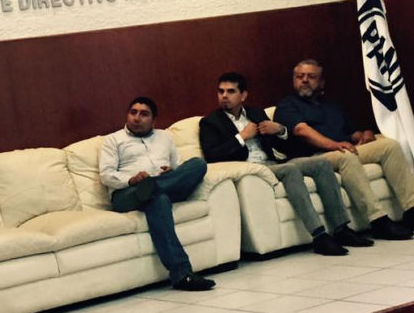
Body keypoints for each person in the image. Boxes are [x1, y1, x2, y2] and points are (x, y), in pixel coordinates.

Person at [199, 72, 373, 256]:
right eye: (221, 91)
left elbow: (284, 146)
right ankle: (319, 236)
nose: (224, 96)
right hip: (251, 169)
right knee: (290, 169)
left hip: (273, 162)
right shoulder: (210, 122)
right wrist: (241, 137)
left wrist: (280, 130)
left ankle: (341, 228)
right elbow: (212, 156)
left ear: (243, 95)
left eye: (230, 91)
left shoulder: (256, 113)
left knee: (321, 164)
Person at [274, 59, 414, 240]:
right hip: (315, 157)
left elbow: (353, 133)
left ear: (321, 82)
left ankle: (411, 210)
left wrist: (366, 135)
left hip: (342, 149)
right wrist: (334, 145)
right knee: (346, 156)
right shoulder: (287, 105)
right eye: (300, 76)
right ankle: (378, 220)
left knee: (389, 146)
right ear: (294, 80)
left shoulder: (331, 104)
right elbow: (302, 131)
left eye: (311, 76)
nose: (305, 80)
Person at [99, 97, 215, 291]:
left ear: (153, 120)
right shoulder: (113, 140)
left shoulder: (164, 137)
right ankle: (182, 274)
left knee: (197, 164)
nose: (137, 118)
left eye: (144, 114)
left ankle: (154, 186)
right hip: (127, 193)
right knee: (158, 199)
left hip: (161, 185)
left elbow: (177, 166)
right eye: (133, 112)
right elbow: (106, 175)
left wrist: (171, 171)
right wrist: (131, 180)